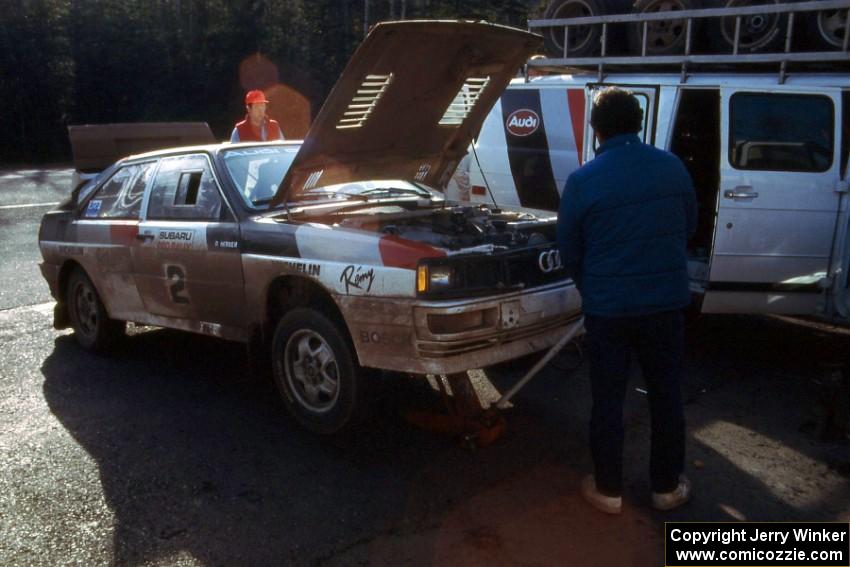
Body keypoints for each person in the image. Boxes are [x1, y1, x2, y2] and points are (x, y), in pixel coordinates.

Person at [556, 87, 697, 515]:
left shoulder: (583, 180)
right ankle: (666, 488)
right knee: (666, 395)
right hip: (666, 305)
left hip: (609, 310)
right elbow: (688, 227)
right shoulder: (673, 167)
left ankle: (608, 490)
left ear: (596, 129)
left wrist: (593, 286)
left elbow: (569, 250)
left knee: (608, 399)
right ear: (639, 123)